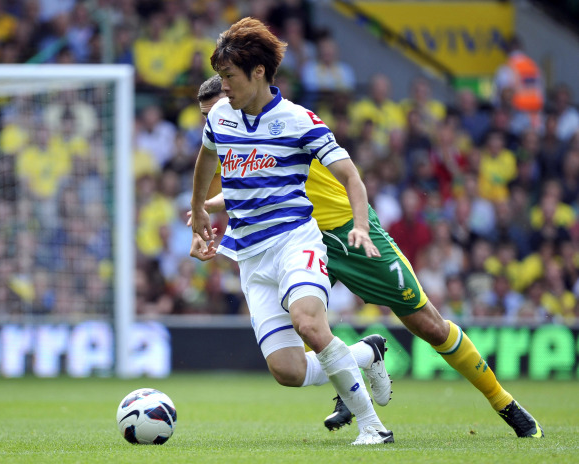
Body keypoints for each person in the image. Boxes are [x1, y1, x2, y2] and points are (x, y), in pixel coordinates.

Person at [191, 76, 544, 440]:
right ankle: (360, 368)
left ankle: (504, 403)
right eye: (206, 115)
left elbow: (343, 174)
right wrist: (204, 208)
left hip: (347, 231)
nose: (213, 118)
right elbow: (239, 189)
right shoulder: (227, 132)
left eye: (218, 106)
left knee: (429, 325)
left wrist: (360, 224)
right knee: (299, 346)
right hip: (291, 240)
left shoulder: (284, 122)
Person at [189, 17, 394, 446]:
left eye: (228, 76)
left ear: (258, 72)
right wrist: (199, 211)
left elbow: (351, 176)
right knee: (288, 371)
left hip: (294, 242)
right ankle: (365, 354)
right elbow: (206, 162)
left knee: (309, 325)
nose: (222, 86)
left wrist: (361, 224)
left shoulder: (299, 121)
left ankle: (373, 427)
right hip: (250, 256)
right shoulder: (220, 117)